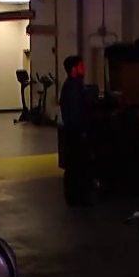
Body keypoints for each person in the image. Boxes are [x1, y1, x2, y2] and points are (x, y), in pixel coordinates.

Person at [58, 55, 92, 206]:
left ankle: (75, 196)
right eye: (80, 66)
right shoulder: (74, 88)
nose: (83, 69)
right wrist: (82, 130)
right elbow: (76, 112)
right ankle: (78, 197)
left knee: (73, 165)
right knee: (78, 165)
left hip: (72, 132)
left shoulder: (71, 86)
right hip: (75, 133)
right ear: (73, 69)